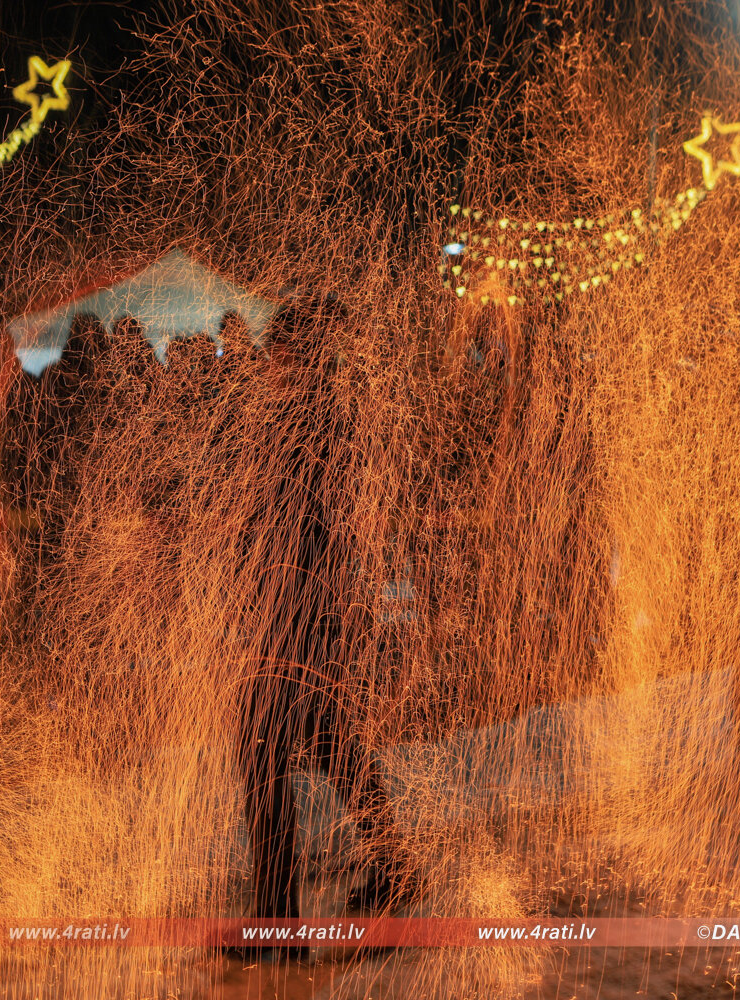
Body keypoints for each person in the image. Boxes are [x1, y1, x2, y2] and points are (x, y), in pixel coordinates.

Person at [235, 301, 417, 949]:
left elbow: (314, 527)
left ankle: (279, 920)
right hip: (298, 614)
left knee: (266, 752)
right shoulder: (309, 420)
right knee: (328, 742)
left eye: (278, 353)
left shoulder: (311, 426)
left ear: (301, 359)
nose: (269, 363)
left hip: (294, 617)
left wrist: (289, 605)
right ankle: (393, 865)